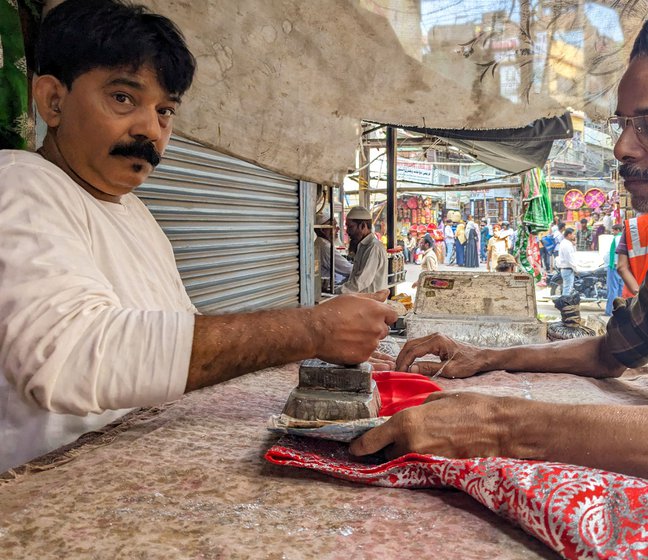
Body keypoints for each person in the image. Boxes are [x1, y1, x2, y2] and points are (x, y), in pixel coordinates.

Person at [351, 0, 648, 496]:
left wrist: (504, 426)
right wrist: (488, 357)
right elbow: (610, 352)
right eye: (623, 123)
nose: (623, 146)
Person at [0, 0, 397, 473]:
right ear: (53, 100)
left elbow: (179, 343)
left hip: (123, 476)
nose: (149, 129)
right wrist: (312, 329)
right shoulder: (19, 185)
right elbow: (70, 359)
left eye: (165, 111)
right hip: (41, 496)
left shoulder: (133, 213)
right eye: (123, 98)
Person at [337, 205, 388, 294]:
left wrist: (335, 292)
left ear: (363, 226)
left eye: (351, 227)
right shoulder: (362, 246)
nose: (348, 232)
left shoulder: (373, 248)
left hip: (372, 306)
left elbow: (360, 282)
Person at [314, 208, 352, 285]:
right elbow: (348, 269)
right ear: (323, 230)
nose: (338, 228)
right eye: (334, 225)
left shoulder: (320, 243)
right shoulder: (325, 246)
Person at [605, 223, 624, 316]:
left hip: (614, 267)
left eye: (614, 230)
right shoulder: (626, 238)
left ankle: (610, 311)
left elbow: (614, 253)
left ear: (617, 230)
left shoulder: (616, 238)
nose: (613, 232)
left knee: (613, 289)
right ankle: (620, 310)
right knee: (621, 290)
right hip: (623, 268)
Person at [554, 228, 577, 296]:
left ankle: (567, 304)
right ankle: (565, 304)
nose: (574, 236)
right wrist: (576, 269)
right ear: (569, 235)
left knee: (568, 288)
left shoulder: (567, 243)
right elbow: (569, 258)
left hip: (568, 269)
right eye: (573, 234)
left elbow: (573, 254)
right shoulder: (566, 244)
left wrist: (574, 244)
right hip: (567, 269)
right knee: (567, 289)